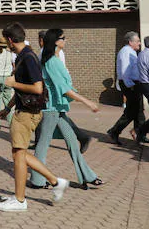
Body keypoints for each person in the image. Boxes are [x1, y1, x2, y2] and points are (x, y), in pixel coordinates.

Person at [0, 23, 69, 212]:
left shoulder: (28, 58)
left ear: (11, 40)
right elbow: (23, 88)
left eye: (7, 42)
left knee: (19, 154)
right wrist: (8, 107)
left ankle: (20, 200)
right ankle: (55, 181)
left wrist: (13, 83)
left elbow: (37, 88)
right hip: (24, 111)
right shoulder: (24, 56)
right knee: (19, 154)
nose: (7, 45)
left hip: (27, 115)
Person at [29, 29, 102, 190]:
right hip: (51, 109)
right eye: (63, 38)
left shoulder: (54, 59)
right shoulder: (51, 62)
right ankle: (37, 179)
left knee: (72, 143)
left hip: (58, 108)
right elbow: (64, 88)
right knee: (43, 144)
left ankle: (87, 176)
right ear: (56, 41)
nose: (66, 40)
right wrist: (88, 102)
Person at [106, 32, 146, 145]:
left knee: (138, 109)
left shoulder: (132, 52)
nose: (139, 43)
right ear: (130, 42)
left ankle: (140, 133)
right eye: (137, 41)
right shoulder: (126, 52)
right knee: (132, 111)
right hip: (130, 84)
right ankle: (114, 131)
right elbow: (124, 71)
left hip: (134, 84)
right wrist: (130, 85)